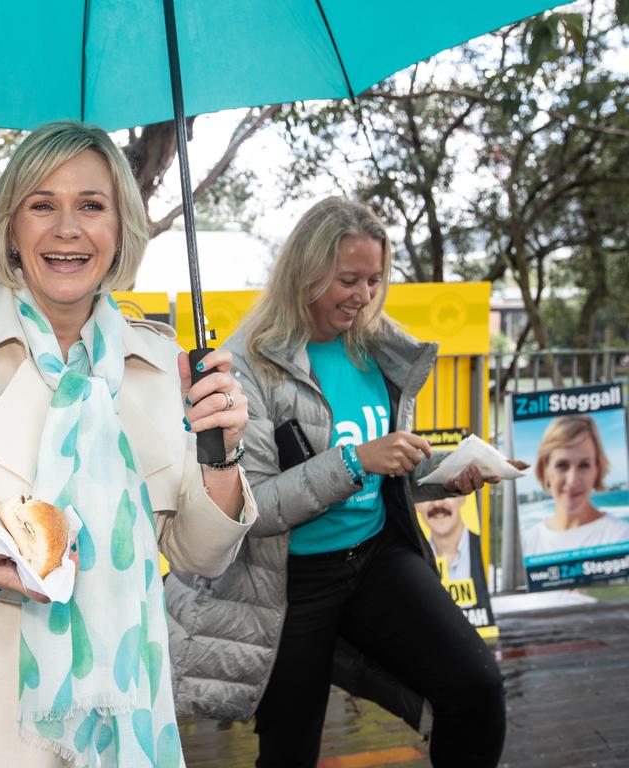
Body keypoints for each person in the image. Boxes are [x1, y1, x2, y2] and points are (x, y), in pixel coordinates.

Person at [0, 121, 256, 768]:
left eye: (91, 206)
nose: (67, 229)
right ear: (11, 227)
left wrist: (220, 454)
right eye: (42, 205)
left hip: (125, 735)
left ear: (120, 230)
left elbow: (198, 556)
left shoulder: (163, 368)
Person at [165, 197, 505, 768]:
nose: (363, 295)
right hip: (288, 580)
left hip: (375, 558)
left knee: (477, 688)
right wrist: (356, 461)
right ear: (307, 270)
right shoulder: (250, 364)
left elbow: (386, 468)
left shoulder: (376, 348)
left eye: (374, 279)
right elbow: (257, 508)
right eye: (348, 279)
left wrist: (445, 473)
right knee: (290, 748)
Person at [521, 414, 629, 557]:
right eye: (562, 465)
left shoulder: (621, 537)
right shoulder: (527, 543)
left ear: (597, 469)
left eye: (584, 465)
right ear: (545, 469)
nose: (572, 480)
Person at [416, 495, 481, 581]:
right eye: (426, 494)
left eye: (446, 491)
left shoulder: (487, 548)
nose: (437, 504)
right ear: (416, 504)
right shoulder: (412, 560)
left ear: (462, 497)